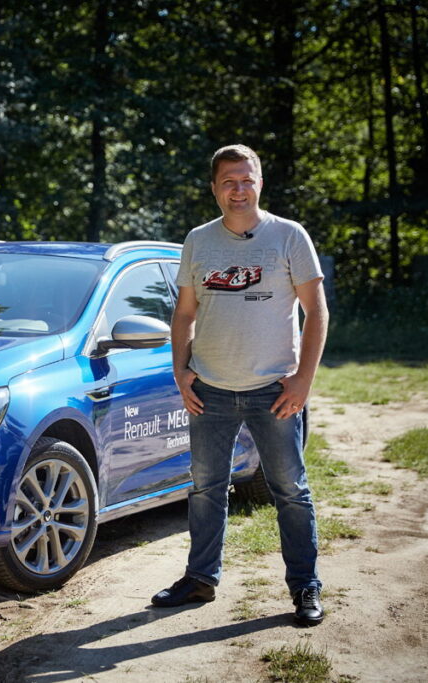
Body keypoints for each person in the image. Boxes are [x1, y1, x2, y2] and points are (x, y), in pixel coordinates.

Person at [151, 144, 329, 627]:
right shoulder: (198, 240)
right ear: (214, 188)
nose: (238, 189)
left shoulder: (289, 235)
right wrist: (181, 371)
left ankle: (305, 586)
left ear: (260, 183)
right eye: (228, 181)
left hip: (274, 390)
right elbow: (184, 313)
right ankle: (200, 579)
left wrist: (303, 380)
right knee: (205, 488)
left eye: (247, 180)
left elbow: (317, 312)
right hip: (209, 389)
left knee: (290, 490)